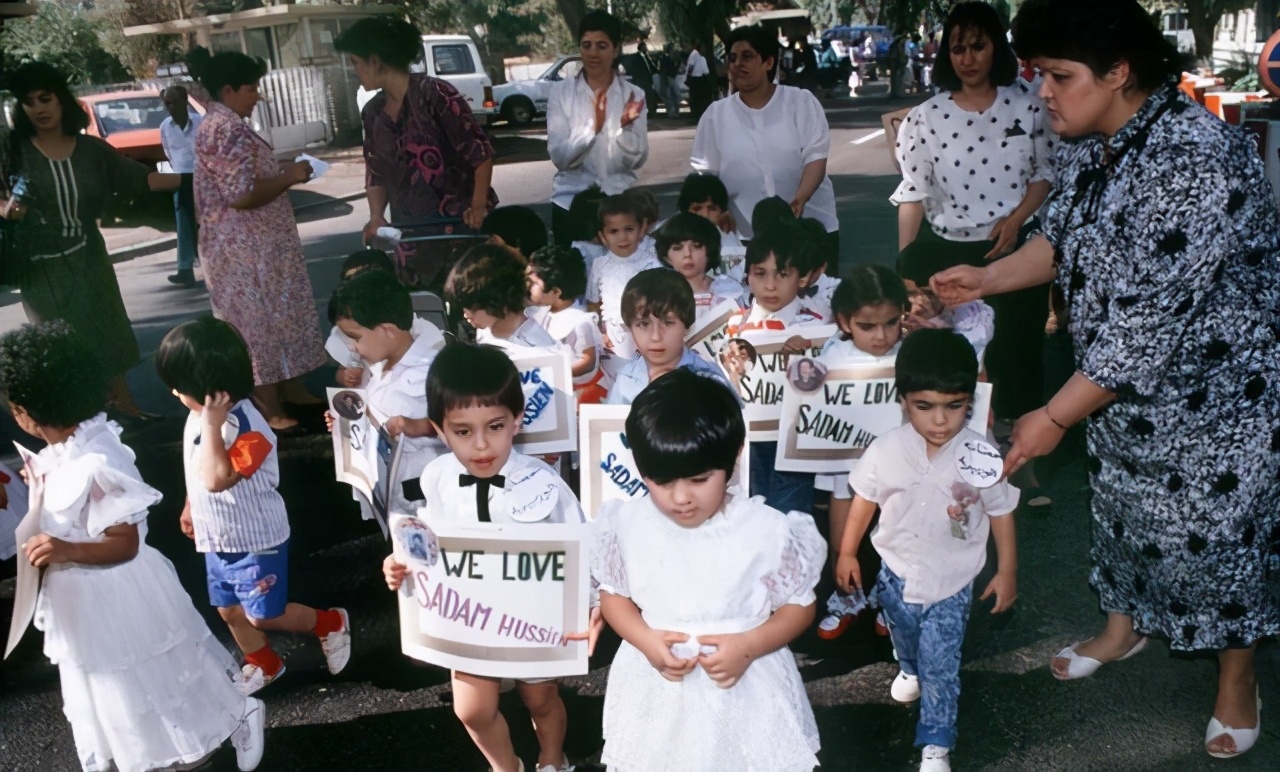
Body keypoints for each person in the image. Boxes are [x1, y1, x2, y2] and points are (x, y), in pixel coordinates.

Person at [933, 0, 1280, 758]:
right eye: (1038, 75)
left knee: (1220, 537)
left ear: (1120, 73)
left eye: (1058, 76)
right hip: (1116, 391)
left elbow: (1148, 328)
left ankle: (1237, 673)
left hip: (1216, 395)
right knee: (1123, 512)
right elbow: (1059, 241)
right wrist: (984, 280)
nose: (1043, 93)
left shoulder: (1197, 156)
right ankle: (1124, 627)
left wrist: (1050, 416)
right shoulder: (1097, 141)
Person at [1, 321, 266, 772]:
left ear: (26, 410)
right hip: (82, 602)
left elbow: (124, 543)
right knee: (112, 686)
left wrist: (65, 549)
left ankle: (235, 716)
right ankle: (136, 752)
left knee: (157, 673)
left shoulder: (99, 460)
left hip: (121, 593)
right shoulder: (66, 446)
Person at [591, 368, 824, 770]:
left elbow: (799, 606)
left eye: (699, 479)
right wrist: (645, 640)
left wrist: (749, 646)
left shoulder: (765, 530)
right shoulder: (627, 524)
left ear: (732, 460)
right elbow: (614, 596)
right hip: (659, 685)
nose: (681, 497)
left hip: (745, 681)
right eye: (661, 482)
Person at [382, 343, 591, 772]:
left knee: (541, 699)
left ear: (517, 420)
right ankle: (506, 766)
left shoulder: (542, 481)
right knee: (472, 710)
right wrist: (400, 563)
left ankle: (554, 757)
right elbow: (430, 539)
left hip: (532, 618)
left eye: (494, 426)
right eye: (462, 431)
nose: (481, 444)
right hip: (470, 616)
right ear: (439, 430)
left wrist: (585, 604)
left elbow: (579, 544)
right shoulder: (438, 476)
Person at [835, 329, 1019, 772]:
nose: (941, 420)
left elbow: (1001, 511)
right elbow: (864, 499)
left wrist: (1008, 570)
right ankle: (910, 667)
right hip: (894, 570)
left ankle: (936, 742)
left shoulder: (981, 454)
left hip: (951, 580)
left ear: (969, 402)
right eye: (925, 406)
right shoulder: (886, 450)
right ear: (903, 400)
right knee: (905, 636)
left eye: (954, 406)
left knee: (942, 663)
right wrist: (846, 552)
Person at [890, 2, 1058, 483]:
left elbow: (1045, 173)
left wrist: (1018, 219)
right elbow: (913, 193)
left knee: (1016, 350)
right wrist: (905, 264)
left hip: (1014, 251)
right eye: (958, 47)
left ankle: (1021, 454)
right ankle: (953, 453)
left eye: (978, 45)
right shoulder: (925, 117)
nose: (968, 58)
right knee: (956, 354)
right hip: (946, 250)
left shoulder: (1028, 107)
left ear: (995, 48)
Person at [155, 317, 353, 696]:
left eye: (179, 388)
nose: (175, 395)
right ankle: (264, 662)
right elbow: (197, 472)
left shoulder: (250, 429)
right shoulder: (199, 416)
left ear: (211, 390)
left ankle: (329, 623)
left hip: (255, 538)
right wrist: (189, 504)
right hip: (218, 537)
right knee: (228, 608)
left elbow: (217, 477)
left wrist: (213, 427)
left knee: (264, 615)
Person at [0, 62, 180, 421]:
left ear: (62, 101)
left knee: (108, 333)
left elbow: (141, 179)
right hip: (40, 269)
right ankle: (82, 424)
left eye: (45, 98)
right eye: (29, 101)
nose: (39, 108)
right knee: (61, 347)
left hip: (88, 257)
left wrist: (195, 179)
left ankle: (125, 408)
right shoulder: (13, 149)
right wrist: (6, 209)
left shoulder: (90, 150)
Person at [187, 47, 327, 432]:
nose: (258, 96)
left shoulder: (228, 123)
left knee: (281, 316)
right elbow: (241, 193)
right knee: (258, 324)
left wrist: (282, 170)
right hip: (242, 252)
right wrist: (290, 176)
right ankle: (269, 405)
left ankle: (290, 387)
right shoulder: (223, 128)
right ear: (229, 89)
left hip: (260, 246)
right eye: (252, 88)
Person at [335, 15, 498, 285]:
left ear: (376, 61)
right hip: (411, 239)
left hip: (461, 231)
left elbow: (480, 154)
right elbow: (376, 173)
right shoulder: (372, 113)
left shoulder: (437, 94)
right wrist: (376, 217)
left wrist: (478, 206)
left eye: (356, 63)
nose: (355, 72)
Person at [691, 25, 840, 272]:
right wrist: (718, 210)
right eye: (732, 58)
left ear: (768, 62)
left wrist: (800, 199)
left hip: (808, 228)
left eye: (747, 56)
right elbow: (705, 174)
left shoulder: (800, 102)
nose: (738, 64)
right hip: (743, 236)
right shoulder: (715, 115)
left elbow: (816, 157)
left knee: (817, 306)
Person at [813, 266, 909, 641]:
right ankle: (846, 597)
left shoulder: (909, 351)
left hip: (899, 466)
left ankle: (891, 599)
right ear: (844, 321)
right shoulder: (832, 355)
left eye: (890, 323)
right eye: (868, 326)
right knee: (843, 537)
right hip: (845, 466)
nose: (882, 335)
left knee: (898, 533)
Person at [328, 270, 447, 517]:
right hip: (393, 490)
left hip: (427, 497)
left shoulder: (434, 371)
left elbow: (464, 425)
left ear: (389, 330)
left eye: (355, 337)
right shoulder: (380, 362)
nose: (352, 346)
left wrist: (420, 426)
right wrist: (348, 420)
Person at [725, 224, 823, 515]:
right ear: (747, 276)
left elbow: (826, 391)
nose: (770, 285)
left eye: (782, 274)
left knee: (789, 516)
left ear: (802, 277)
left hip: (793, 442)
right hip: (748, 441)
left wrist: (805, 359)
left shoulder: (813, 327)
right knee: (748, 513)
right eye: (760, 273)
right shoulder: (733, 326)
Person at [548, 10, 648, 246]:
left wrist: (623, 130)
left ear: (615, 49)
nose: (593, 53)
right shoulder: (561, 93)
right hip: (569, 203)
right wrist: (594, 127)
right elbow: (559, 157)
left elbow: (637, 159)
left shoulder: (633, 95)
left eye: (601, 45)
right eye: (587, 45)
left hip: (618, 206)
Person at [605, 268, 734, 406]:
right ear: (630, 328)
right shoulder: (625, 381)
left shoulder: (708, 378)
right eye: (643, 324)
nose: (656, 336)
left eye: (668, 323)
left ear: (688, 326)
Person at [526, 245, 607, 404]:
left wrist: (558, 371)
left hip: (582, 391)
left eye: (532, 284)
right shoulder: (541, 314)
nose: (527, 288)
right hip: (552, 387)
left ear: (556, 291)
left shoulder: (580, 320)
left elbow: (588, 360)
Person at [585, 194, 660, 364]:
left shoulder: (652, 262)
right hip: (615, 337)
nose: (622, 237)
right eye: (614, 231)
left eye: (629, 229)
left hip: (650, 332)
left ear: (641, 230)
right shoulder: (600, 265)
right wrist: (599, 334)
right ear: (602, 236)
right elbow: (593, 304)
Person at [445, 244, 558, 349]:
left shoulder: (536, 344)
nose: (466, 314)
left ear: (494, 297)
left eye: (471, 306)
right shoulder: (485, 332)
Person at [899, 247, 995, 363]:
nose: (919, 300)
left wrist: (932, 329)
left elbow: (966, 359)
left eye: (928, 293)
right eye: (911, 293)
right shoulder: (895, 318)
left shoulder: (977, 316)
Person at [655, 212, 743, 322]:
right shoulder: (657, 296)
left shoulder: (727, 288)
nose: (687, 254)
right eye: (677, 248)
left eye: (696, 247)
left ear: (709, 252)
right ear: (666, 257)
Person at [160, 85, 203, 288]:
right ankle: (185, 270)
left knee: (207, 224)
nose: (169, 107)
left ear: (185, 101)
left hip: (204, 178)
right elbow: (168, 152)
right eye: (166, 103)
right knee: (184, 225)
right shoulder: (165, 127)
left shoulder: (202, 123)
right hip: (181, 177)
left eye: (173, 102)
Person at [685, 40, 715, 121]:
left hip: (702, 79)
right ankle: (696, 115)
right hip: (696, 79)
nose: (704, 50)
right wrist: (689, 78)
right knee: (696, 98)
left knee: (703, 98)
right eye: (703, 48)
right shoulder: (695, 55)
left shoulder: (701, 58)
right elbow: (691, 67)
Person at [657, 43, 683, 117]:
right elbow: (664, 70)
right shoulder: (665, 58)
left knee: (675, 95)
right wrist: (665, 80)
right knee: (668, 95)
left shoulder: (672, 58)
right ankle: (671, 112)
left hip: (672, 78)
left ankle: (675, 111)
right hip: (667, 78)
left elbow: (674, 70)